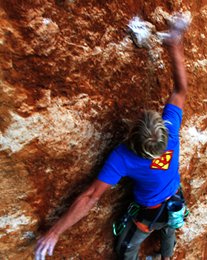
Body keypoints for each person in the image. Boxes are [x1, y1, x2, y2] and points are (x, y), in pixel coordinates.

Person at [35, 23, 188, 260]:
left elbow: (90, 196)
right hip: (175, 197)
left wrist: (55, 232)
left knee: (125, 250)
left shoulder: (124, 157)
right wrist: (174, 44)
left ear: (132, 136)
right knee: (169, 228)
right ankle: (167, 258)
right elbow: (180, 91)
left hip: (151, 211)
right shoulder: (170, 134)